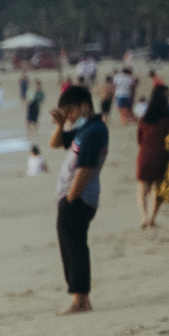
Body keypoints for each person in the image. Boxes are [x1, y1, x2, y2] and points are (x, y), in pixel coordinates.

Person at [48, 84, 108, 314]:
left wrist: (72, 198)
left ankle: (80, 299)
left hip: (80, 199)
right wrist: (60, 125)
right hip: (74, 197)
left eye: (70, 112)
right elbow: (55, 143)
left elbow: (86, 168)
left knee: (75, 249)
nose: (69, 117)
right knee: (70, 246)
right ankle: (79, 297)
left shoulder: (93, 132)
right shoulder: (85, 128)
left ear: (84, 107)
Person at [135, 84, 169, 229]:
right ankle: (152, 218)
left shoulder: (145, 118)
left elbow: (139, 139)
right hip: (161, 155)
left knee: (142, 186)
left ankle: (144, 216)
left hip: (145, 154)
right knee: (158, 188)